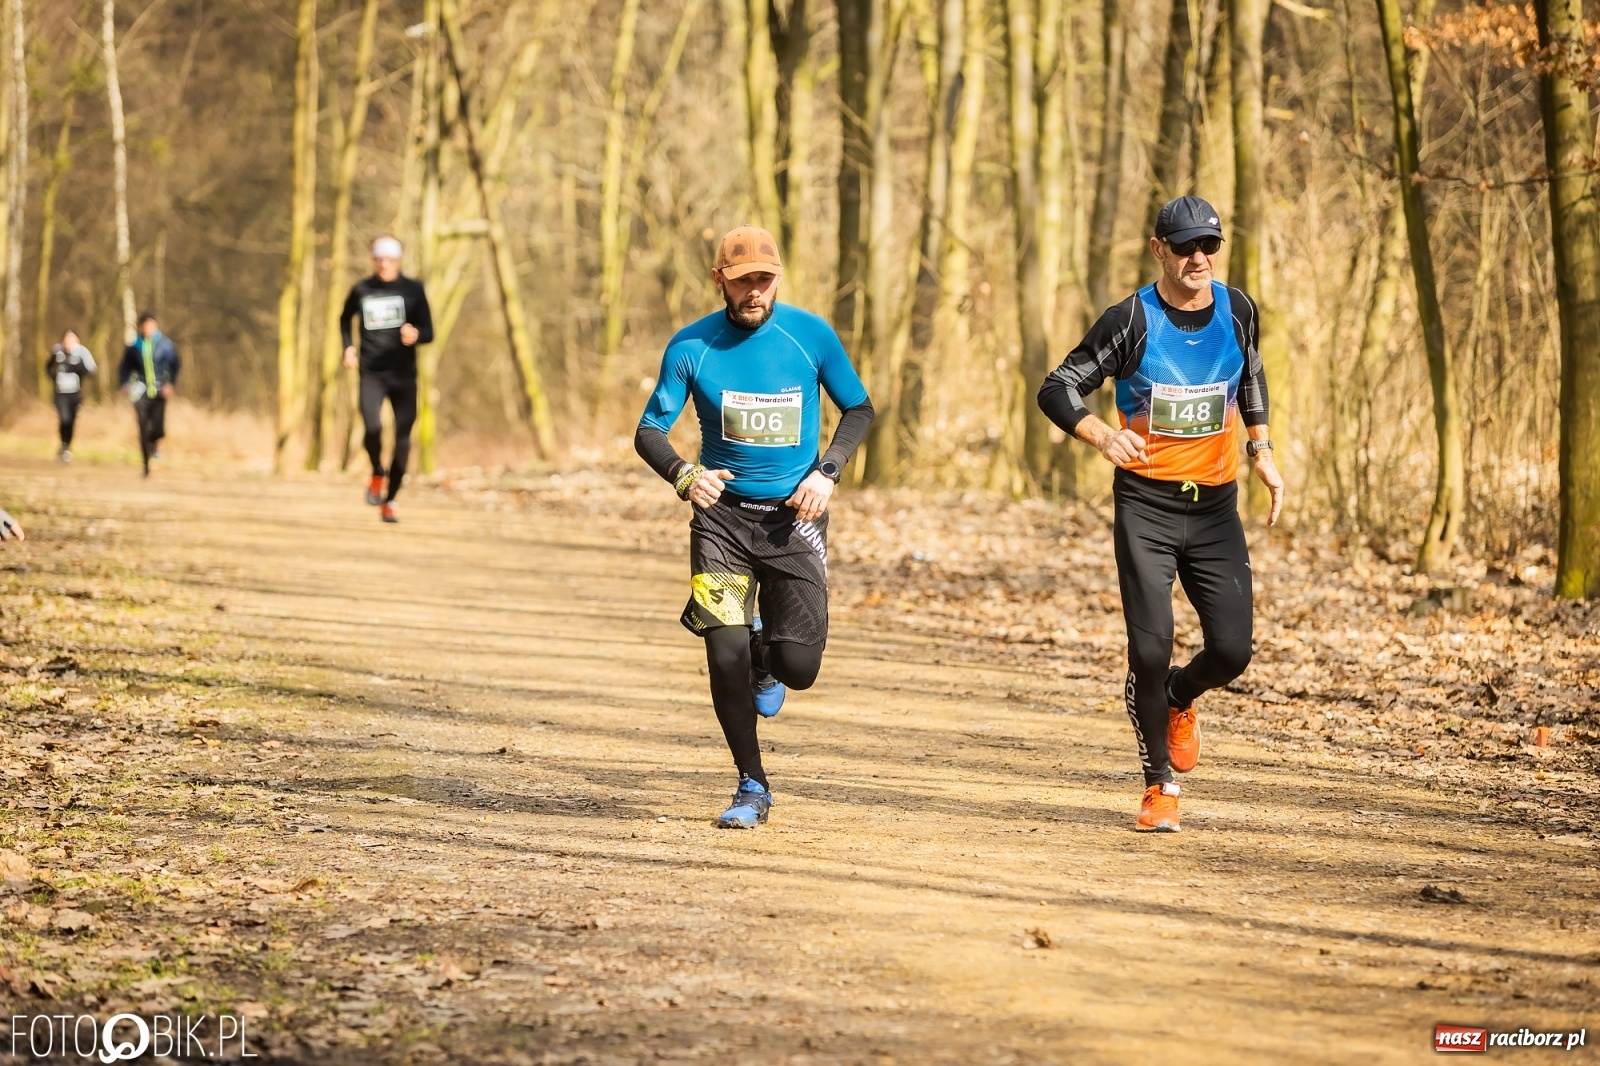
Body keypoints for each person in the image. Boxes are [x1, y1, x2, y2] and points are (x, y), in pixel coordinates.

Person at [1037, 195, 1284, 833]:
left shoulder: (1239, 309)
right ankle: (1159, 787)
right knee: (1149, 652)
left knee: (1232, 651)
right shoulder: (1131, 322)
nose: (1198, 258)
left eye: (1209, 246)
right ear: (1159, 251)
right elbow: (1057, 385)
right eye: (1184, 247)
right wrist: (1099, 434)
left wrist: (1261, 448)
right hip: (1146, 506)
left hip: (1216, 507)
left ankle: (1180, 696)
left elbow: (1249, 370)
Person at [635, 226, 874, 829]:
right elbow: (649, 431)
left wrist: (828, 470)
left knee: (800, 669)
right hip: (721, 521)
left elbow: (860, 407)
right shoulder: (692, 347)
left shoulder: (810, 335)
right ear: (720, 280)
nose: (755, 292)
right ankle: (751, 782)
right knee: (724, 650)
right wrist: (685, 476)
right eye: (743, 281)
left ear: (778, 278)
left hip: (797, 518)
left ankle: (770, 656)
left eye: (764, 280)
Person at [340, 236, 434, 524]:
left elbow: (429, 331)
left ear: (398, 261)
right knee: (372, 427)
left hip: (403, 375)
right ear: (373, 260)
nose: (384, 264)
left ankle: (391, 499)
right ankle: (377, 472)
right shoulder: (361, 289)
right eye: (379, 259)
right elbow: (344, 318)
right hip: (371, 373)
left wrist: (416, 335)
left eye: (389, 259)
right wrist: (348, 347)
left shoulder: (413, 290)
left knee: (403, 441)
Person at [119, 313, 180, 478]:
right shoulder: (134, 346)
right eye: (144, 325)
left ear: (156, 326)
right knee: (143, 427)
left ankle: (154, 444)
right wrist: (125, 383)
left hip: (159, 391)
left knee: (158, 429)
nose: (147, 328)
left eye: (150, 325)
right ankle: (146, 465)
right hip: (140, 391)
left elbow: (175, 365)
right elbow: (124, 367)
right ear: (140, 327)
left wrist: (170, 383)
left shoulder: (166, 345)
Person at [47, 330, 96, 462]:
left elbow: (92, 371)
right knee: (64, 418)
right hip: (60, 393)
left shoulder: (82, 353)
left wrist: (77, 367)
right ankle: (63, 445)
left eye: (71, 339)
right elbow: (48, 368)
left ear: (77, 341)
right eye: (66, 339)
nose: (68, 342)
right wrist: (54, 375)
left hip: (75, 393)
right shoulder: (57, 352)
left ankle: (67, 446)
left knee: (71, 421)